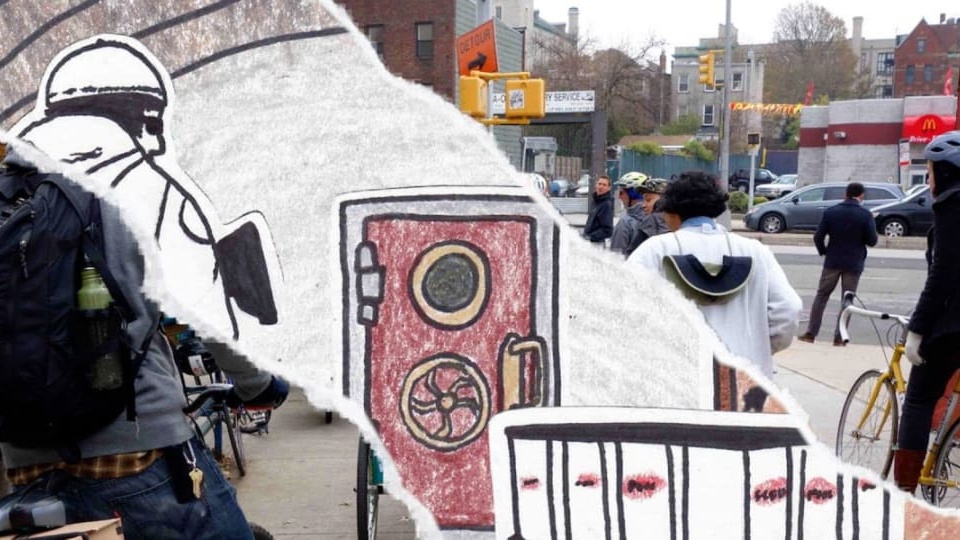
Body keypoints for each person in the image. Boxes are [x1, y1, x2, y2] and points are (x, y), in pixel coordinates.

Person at [0, 145, 288, 539]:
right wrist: (257, 384)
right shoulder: (132, 185)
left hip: (27, 472)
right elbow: (207, 306)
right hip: (139, 456)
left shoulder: (6, 200)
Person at [628, 170, 802, 378]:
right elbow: (789, 309)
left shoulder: (654, 250)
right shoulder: (755, 251)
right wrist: (759, 347)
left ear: (671, 211)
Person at [893, 131, 960, 494]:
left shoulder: (952, 204)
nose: (929, 180)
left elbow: (943, 275)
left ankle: (904, 493)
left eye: (931, 171)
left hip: (951, 328)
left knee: (919, 399)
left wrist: (917, 330)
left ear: (947, 172)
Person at [797, 182, 878, 346]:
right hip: (854, 262)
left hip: (832, 260)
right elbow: (872, 240)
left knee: (822, 296)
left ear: (845, 194)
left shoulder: (831, 212)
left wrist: (824, 251)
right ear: (861, 196)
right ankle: (839, 337)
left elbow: (818, 237)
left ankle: (811, 332)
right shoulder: (865, 215)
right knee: (847, 300)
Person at [610, 173, 669, 257]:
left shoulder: (625, 223)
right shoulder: (676, 224)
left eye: (621, 193)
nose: (619, 196)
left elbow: (616, 258)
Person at [581, 174, 613, 246]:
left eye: (604, 185)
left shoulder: (606, 204)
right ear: (596, 185)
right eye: (599, 184)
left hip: (597, 244)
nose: (601, 187)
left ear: (609, 188)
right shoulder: (596, 201)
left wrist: (590, 237)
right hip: (590, 242)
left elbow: (608, 230)